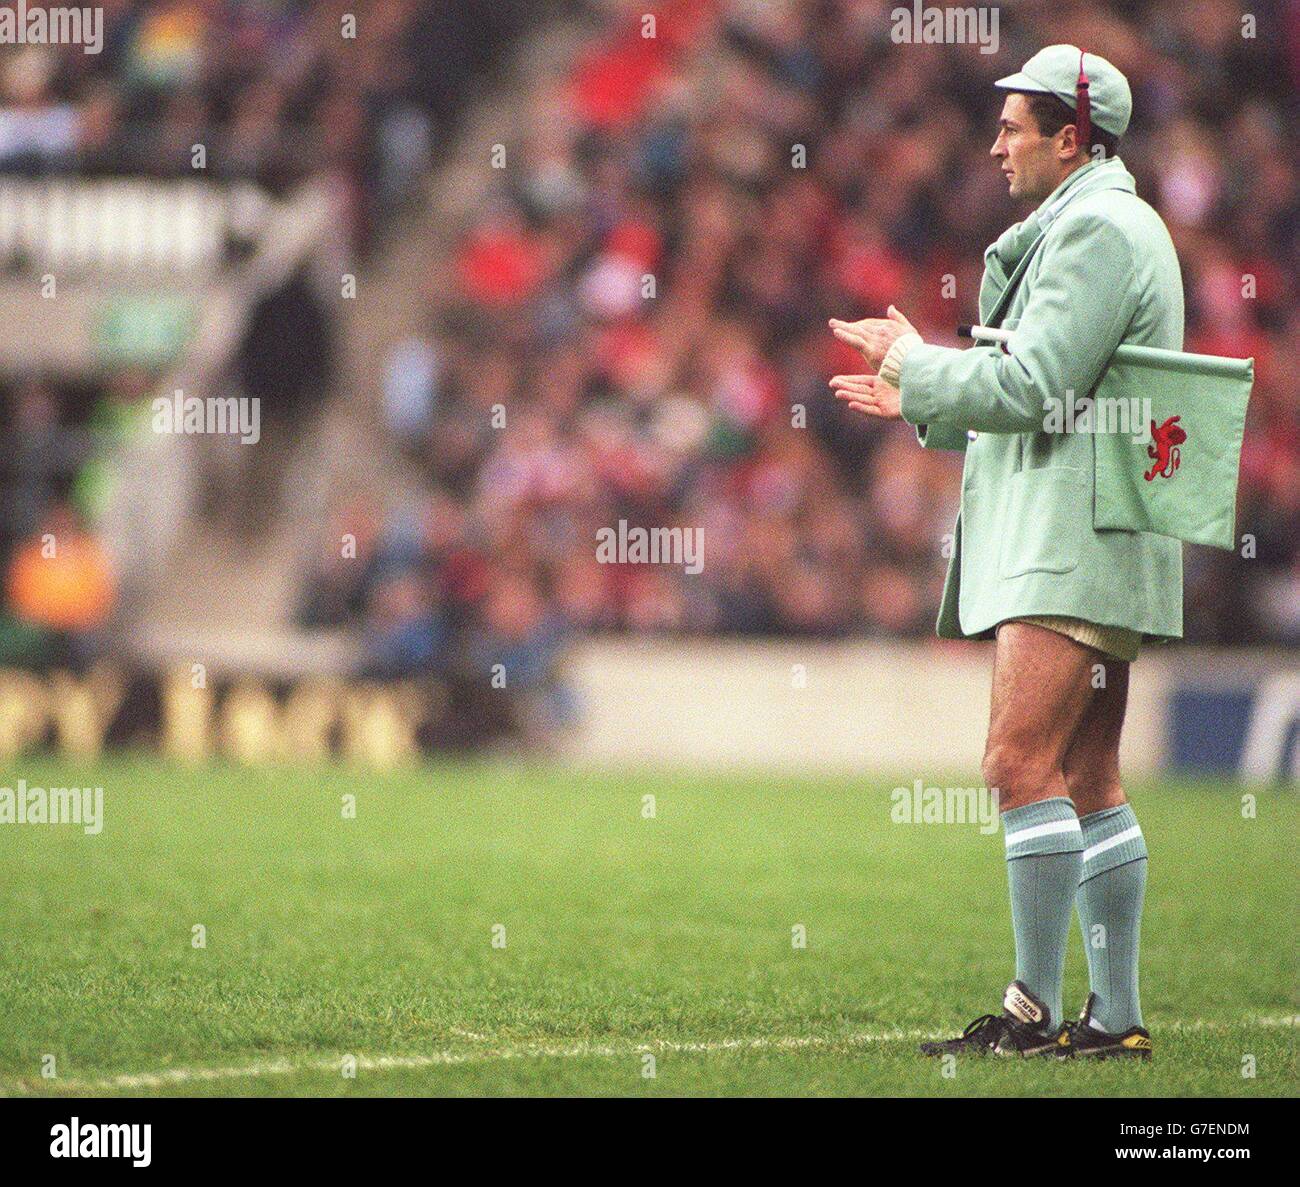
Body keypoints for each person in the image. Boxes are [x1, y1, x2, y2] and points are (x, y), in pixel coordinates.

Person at [829, 46, 1180, 1059]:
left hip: (1073, 533)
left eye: (1012, 128)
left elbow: (1033, 388)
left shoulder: (1097, 232)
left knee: (1015, 759)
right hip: (1104, 522)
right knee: (1087, 770)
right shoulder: (1106, 223)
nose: (993, 145)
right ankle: (1113, 1018)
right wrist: (924, 391)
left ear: (1071, 138)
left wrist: (922, 364)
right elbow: (1037, 382)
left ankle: (1029, 1009)